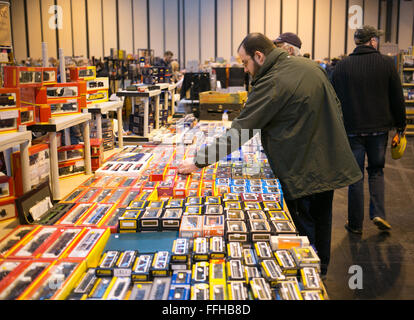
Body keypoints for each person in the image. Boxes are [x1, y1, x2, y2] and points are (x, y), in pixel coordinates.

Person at [179, 33, 362, 275]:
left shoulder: (272, 82)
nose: (245, 70)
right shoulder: (310, 67)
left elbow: (241, 132)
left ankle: (309, 277)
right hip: (328, 158)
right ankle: (322, 269)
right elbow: (335, 105)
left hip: (301, 166)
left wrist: (199, 161)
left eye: (245, 63)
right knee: (323, 216)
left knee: (304, 225)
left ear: (259, 56)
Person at [331, 25, 406, 234]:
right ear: (372, 41)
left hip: (352, 130)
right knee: (376, 171)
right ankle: (379, 213)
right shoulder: (385, 63)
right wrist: (401, 126)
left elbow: (333, 98)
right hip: (379, 130)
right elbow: (397, 97)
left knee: (355, 177)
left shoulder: (342, 66)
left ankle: (355, 224)